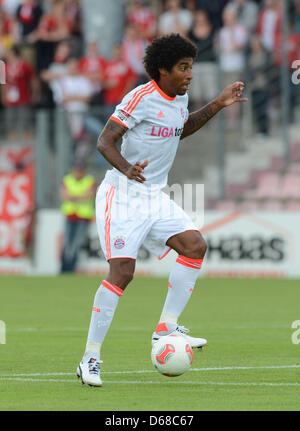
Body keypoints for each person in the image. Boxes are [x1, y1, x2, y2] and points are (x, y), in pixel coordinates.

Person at [77, 33, 247, 387]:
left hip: (154, 195)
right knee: (122, 273)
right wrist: (126, 168)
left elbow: (179, 130)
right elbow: (104, 140)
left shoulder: (179, 101)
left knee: (195, 245)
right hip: (122, 194)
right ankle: (90, 358)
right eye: (183, 68)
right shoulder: (139, 97)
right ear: (162, 70)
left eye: (191, 67)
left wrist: (217, 104)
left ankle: (165, 329)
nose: (189, 75)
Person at [60, 161, 97, 273]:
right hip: (70, 216)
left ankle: (71, 268)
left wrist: (73, 197)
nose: (78, 173)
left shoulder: (89, 180)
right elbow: (64, 195)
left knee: (77, 243)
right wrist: (80, 197)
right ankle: (64, 268)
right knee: (66, 243)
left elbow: (89, 195)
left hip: (83, 217)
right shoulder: (67, 179)